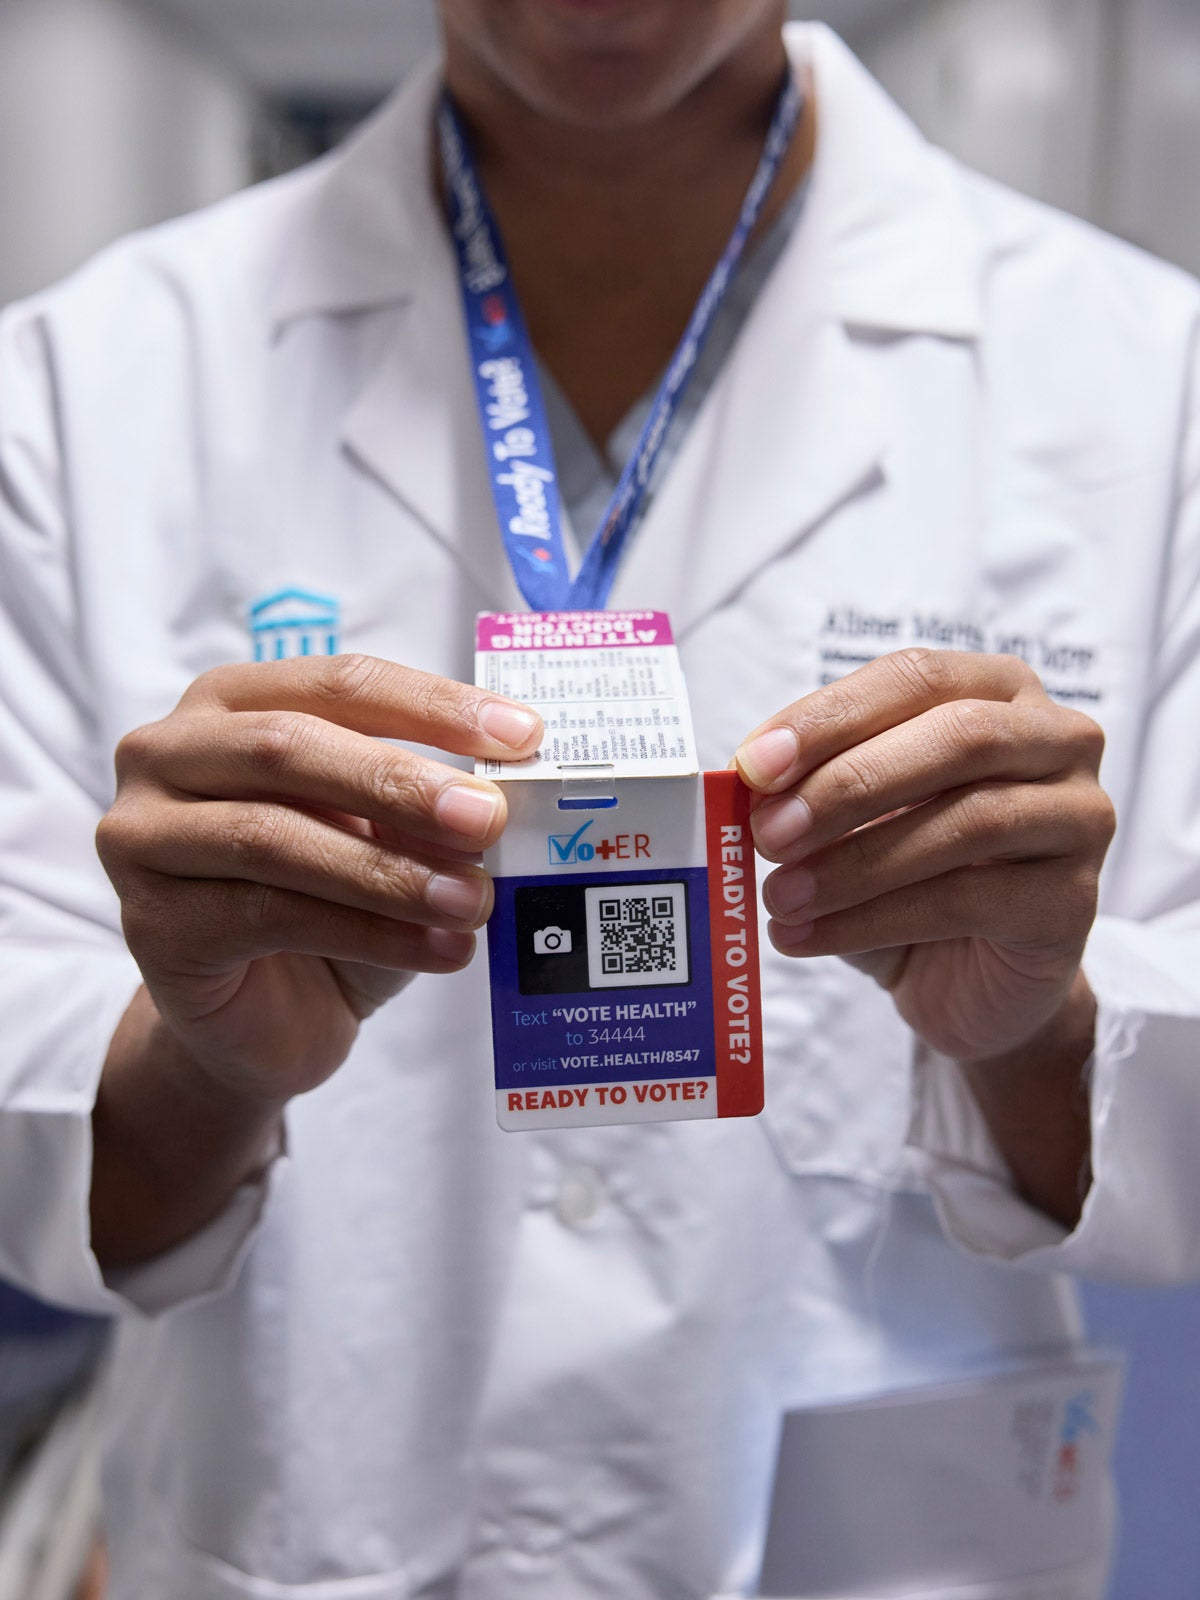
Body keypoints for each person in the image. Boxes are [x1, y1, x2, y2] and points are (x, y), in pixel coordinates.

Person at [1, 2, 1198, 1595]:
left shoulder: (1145, 379)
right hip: (300, 1529)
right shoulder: (92, 383)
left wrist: (1034, 1034)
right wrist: (205, 1067)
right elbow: (36, 1104)